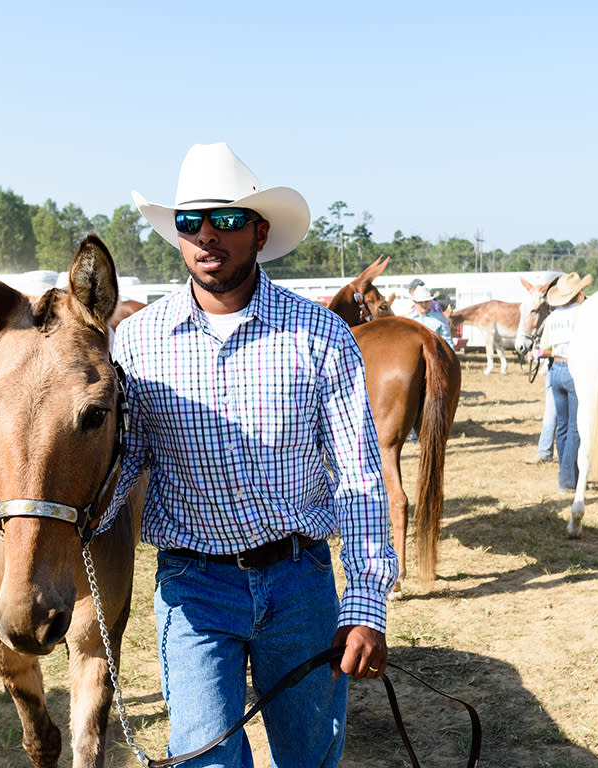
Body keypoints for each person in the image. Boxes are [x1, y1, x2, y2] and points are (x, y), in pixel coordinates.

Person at [98, 142, 398, 767]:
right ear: (176, 234)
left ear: (260, 233)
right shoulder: (136, 341)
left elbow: (362, 479)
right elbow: (125, 462)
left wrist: (366, 603)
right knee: (205, 760)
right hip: (194, 585)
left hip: (299, 582)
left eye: (226, 220)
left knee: (310, 757)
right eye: (190, 222)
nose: (207, 236)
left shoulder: (320, 335)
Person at [536, 272, 592, 492]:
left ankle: (567, 474)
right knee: (576, 427)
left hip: (555, 369)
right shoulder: (584, 313)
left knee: (562, 425)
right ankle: (568, 480)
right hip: (575, 370)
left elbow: (544, 350)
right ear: (578, 293)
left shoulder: (553, 317)